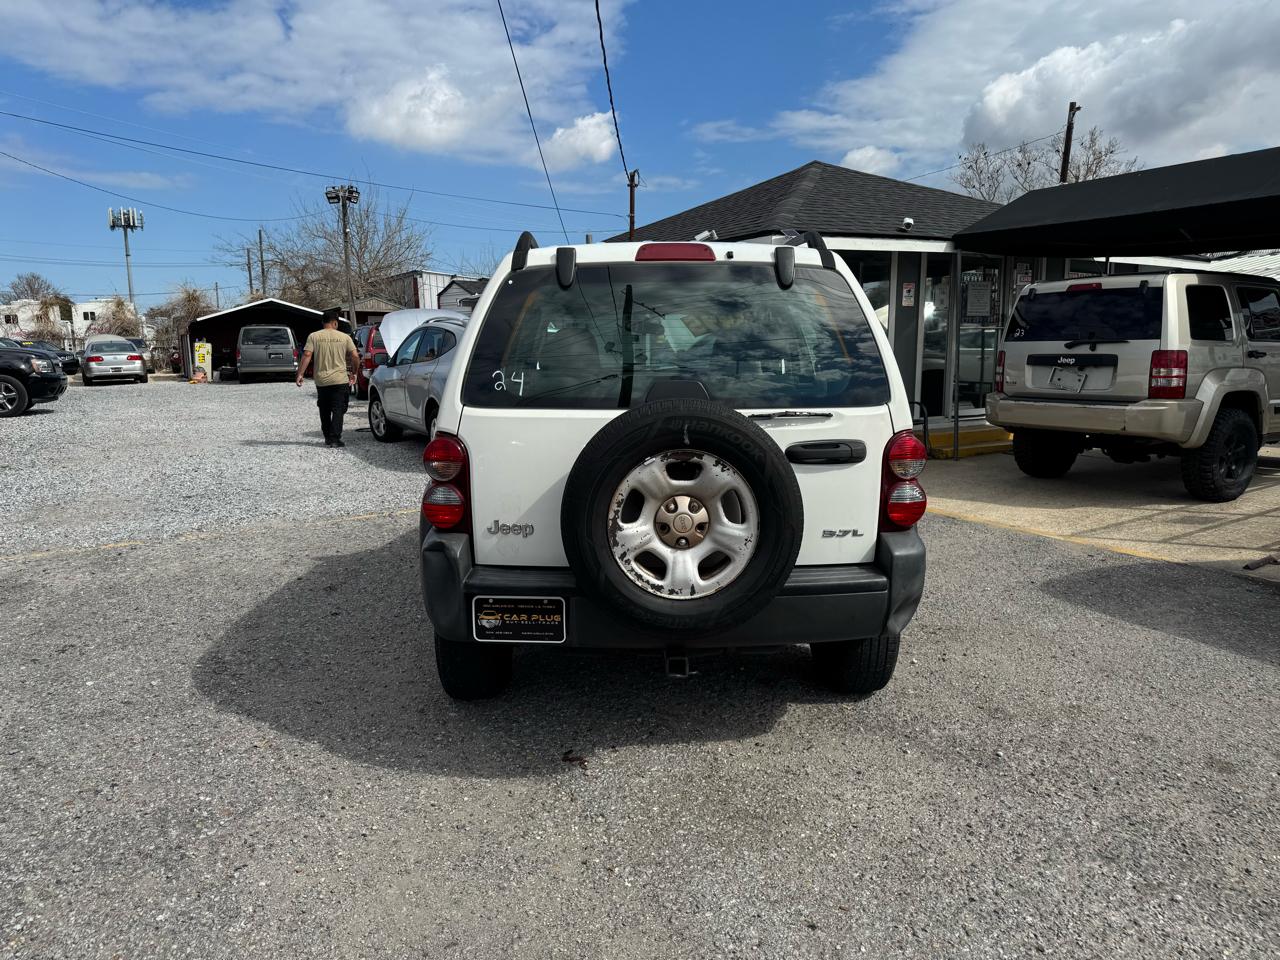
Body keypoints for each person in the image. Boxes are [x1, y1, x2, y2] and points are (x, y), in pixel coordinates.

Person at [296, 310, 359, 447]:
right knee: (338, 409)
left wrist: (300, 374)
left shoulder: (313, 336)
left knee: (324, 409)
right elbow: (355, 356)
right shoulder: (344, 337)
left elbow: (307, 355)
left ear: (323, 322)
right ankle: (335, 438)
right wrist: (354, 372)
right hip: (340, 379)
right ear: (335, 322)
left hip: (321, 380)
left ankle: (327, 437)